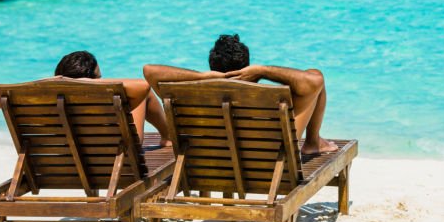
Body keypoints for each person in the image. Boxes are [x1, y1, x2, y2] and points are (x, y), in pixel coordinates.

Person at [143, 34, 337, 157]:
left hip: (209, 166)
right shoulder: (264, 98)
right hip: (267, 164)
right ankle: (312, 142)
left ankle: (313, 142)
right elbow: (315, 81)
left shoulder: (188, 97)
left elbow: (150, 70)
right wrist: (263, 70)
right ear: (248, 67)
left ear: (212, 66)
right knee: (314, 74)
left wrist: (202, 77)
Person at [0, 50, 171, 147]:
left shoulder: (47, 102)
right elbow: (143, 85)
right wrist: (95, 84)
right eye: (99, 77)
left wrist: (54, 82)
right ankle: (167, 136)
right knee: (142, 95)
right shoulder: (102, 98)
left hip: (65, 157)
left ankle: (167, 136)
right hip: (116, 156)